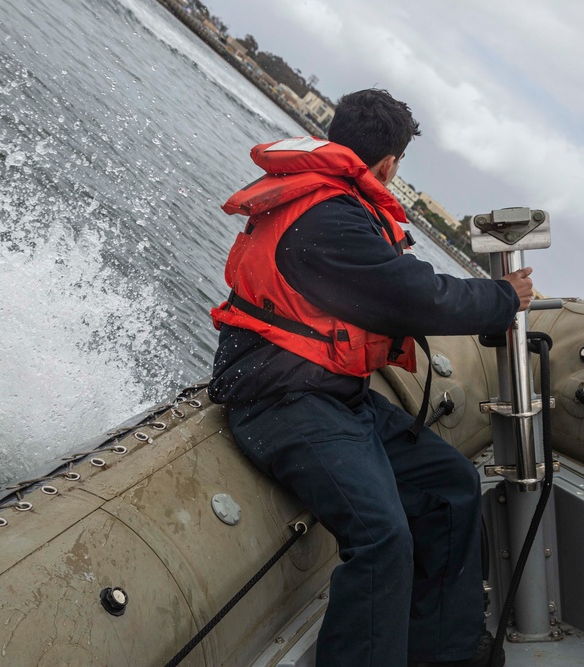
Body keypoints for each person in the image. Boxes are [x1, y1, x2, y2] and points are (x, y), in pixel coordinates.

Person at [209, 88, 534, 667]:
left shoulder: (334, 207)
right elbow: (417, 296)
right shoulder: (331, 218)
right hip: (278, 397)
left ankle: (447, 654)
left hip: (330, 394)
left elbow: (398, 290)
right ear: (388, 164)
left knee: (451, 486)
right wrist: (503, 298)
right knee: (383, 541)